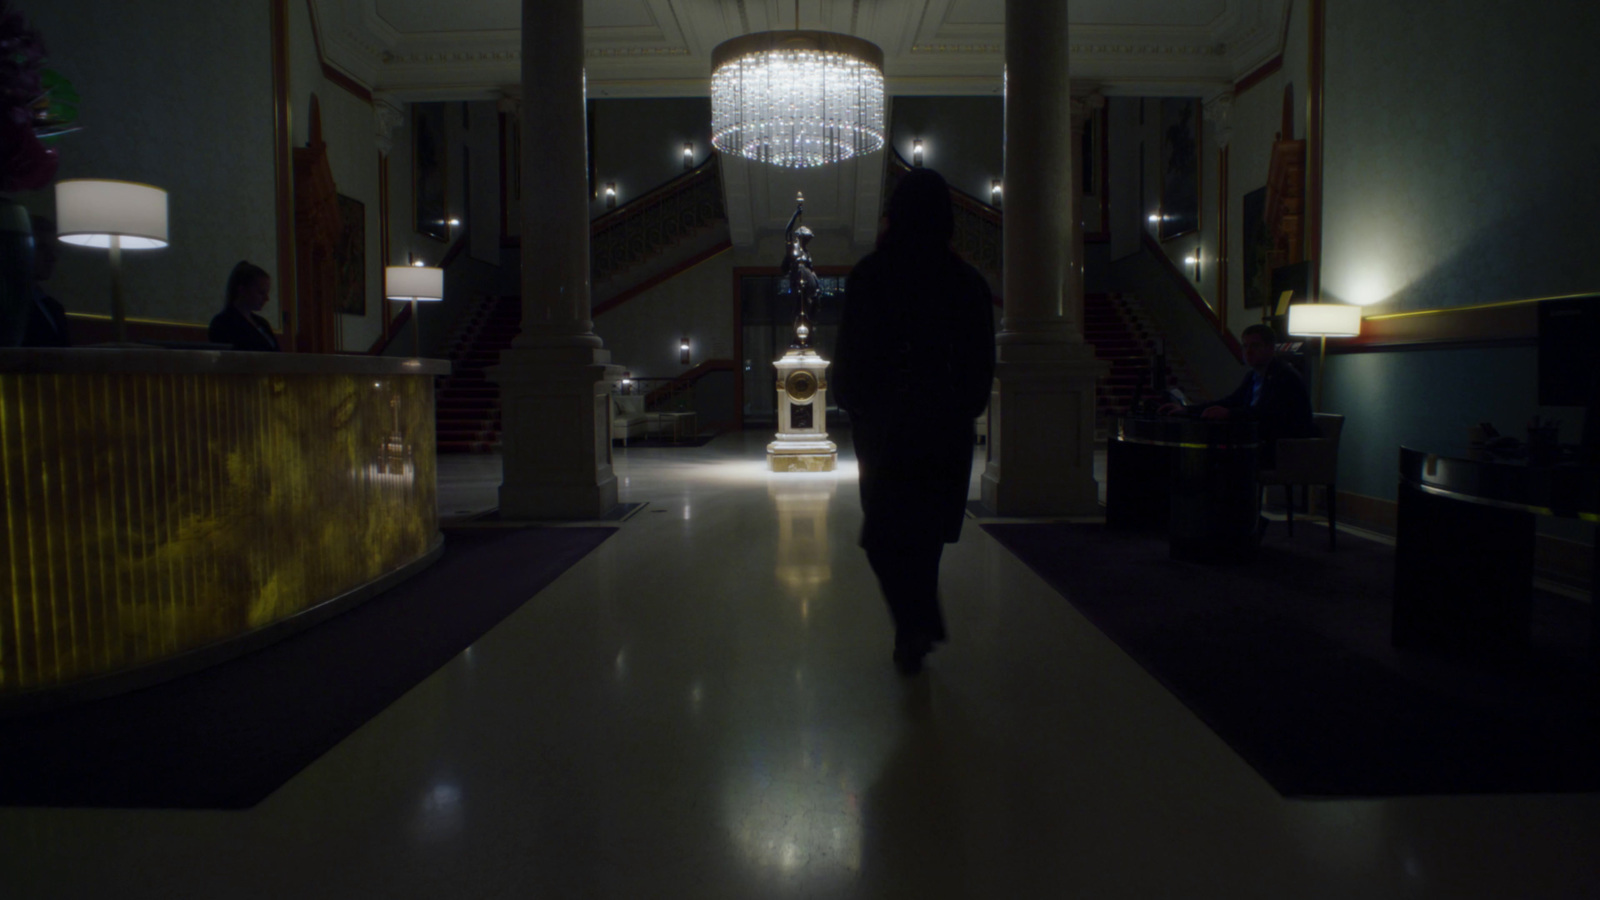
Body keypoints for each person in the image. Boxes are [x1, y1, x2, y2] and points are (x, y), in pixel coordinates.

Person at [833, 168, 996, 676]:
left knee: (885, 536)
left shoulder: (871, 274)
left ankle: (913, 626)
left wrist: (858, 405)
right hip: (940, 428)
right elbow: (981, 362)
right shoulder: (966, 282)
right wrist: (962, 407)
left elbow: (851, 354)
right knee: (921, 538)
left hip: (889, 428)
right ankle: (917, 625)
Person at [1159, 322, 1314, 465]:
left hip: (1284, 446)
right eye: (1245, 346)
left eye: (1254, 346)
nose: (1248, 352)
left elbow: (1269, 414)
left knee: (1219, 455)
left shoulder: (1284, 376)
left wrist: (1229, 414)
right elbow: (1231, 401)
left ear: (1270, 348)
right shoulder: (1253, 376)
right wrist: (1187, 410)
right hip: (1261, 441)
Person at [208, 261, 280, 351]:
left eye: (266, 293)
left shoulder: (262, 323)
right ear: (242, 289)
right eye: (261, 293)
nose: (266, 298)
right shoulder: (223, 323)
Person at [22, 214, 70, 347]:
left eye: (54, 250)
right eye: (42, 248)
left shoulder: (53, 308)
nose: (52, 257)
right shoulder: (8, 306)